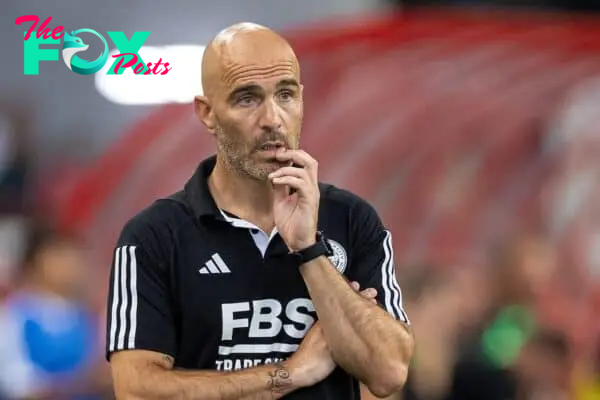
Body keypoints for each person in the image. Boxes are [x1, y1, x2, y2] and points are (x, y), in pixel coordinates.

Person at [105, 22, 413, 399]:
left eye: (285, 95)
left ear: (301, 99)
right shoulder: (154, 236)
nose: (272, 118)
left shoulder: (351, 219)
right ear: (207, 113)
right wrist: (288, 374)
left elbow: (389, 372)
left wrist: (310, 249)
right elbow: (136, 391)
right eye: (247, 99)